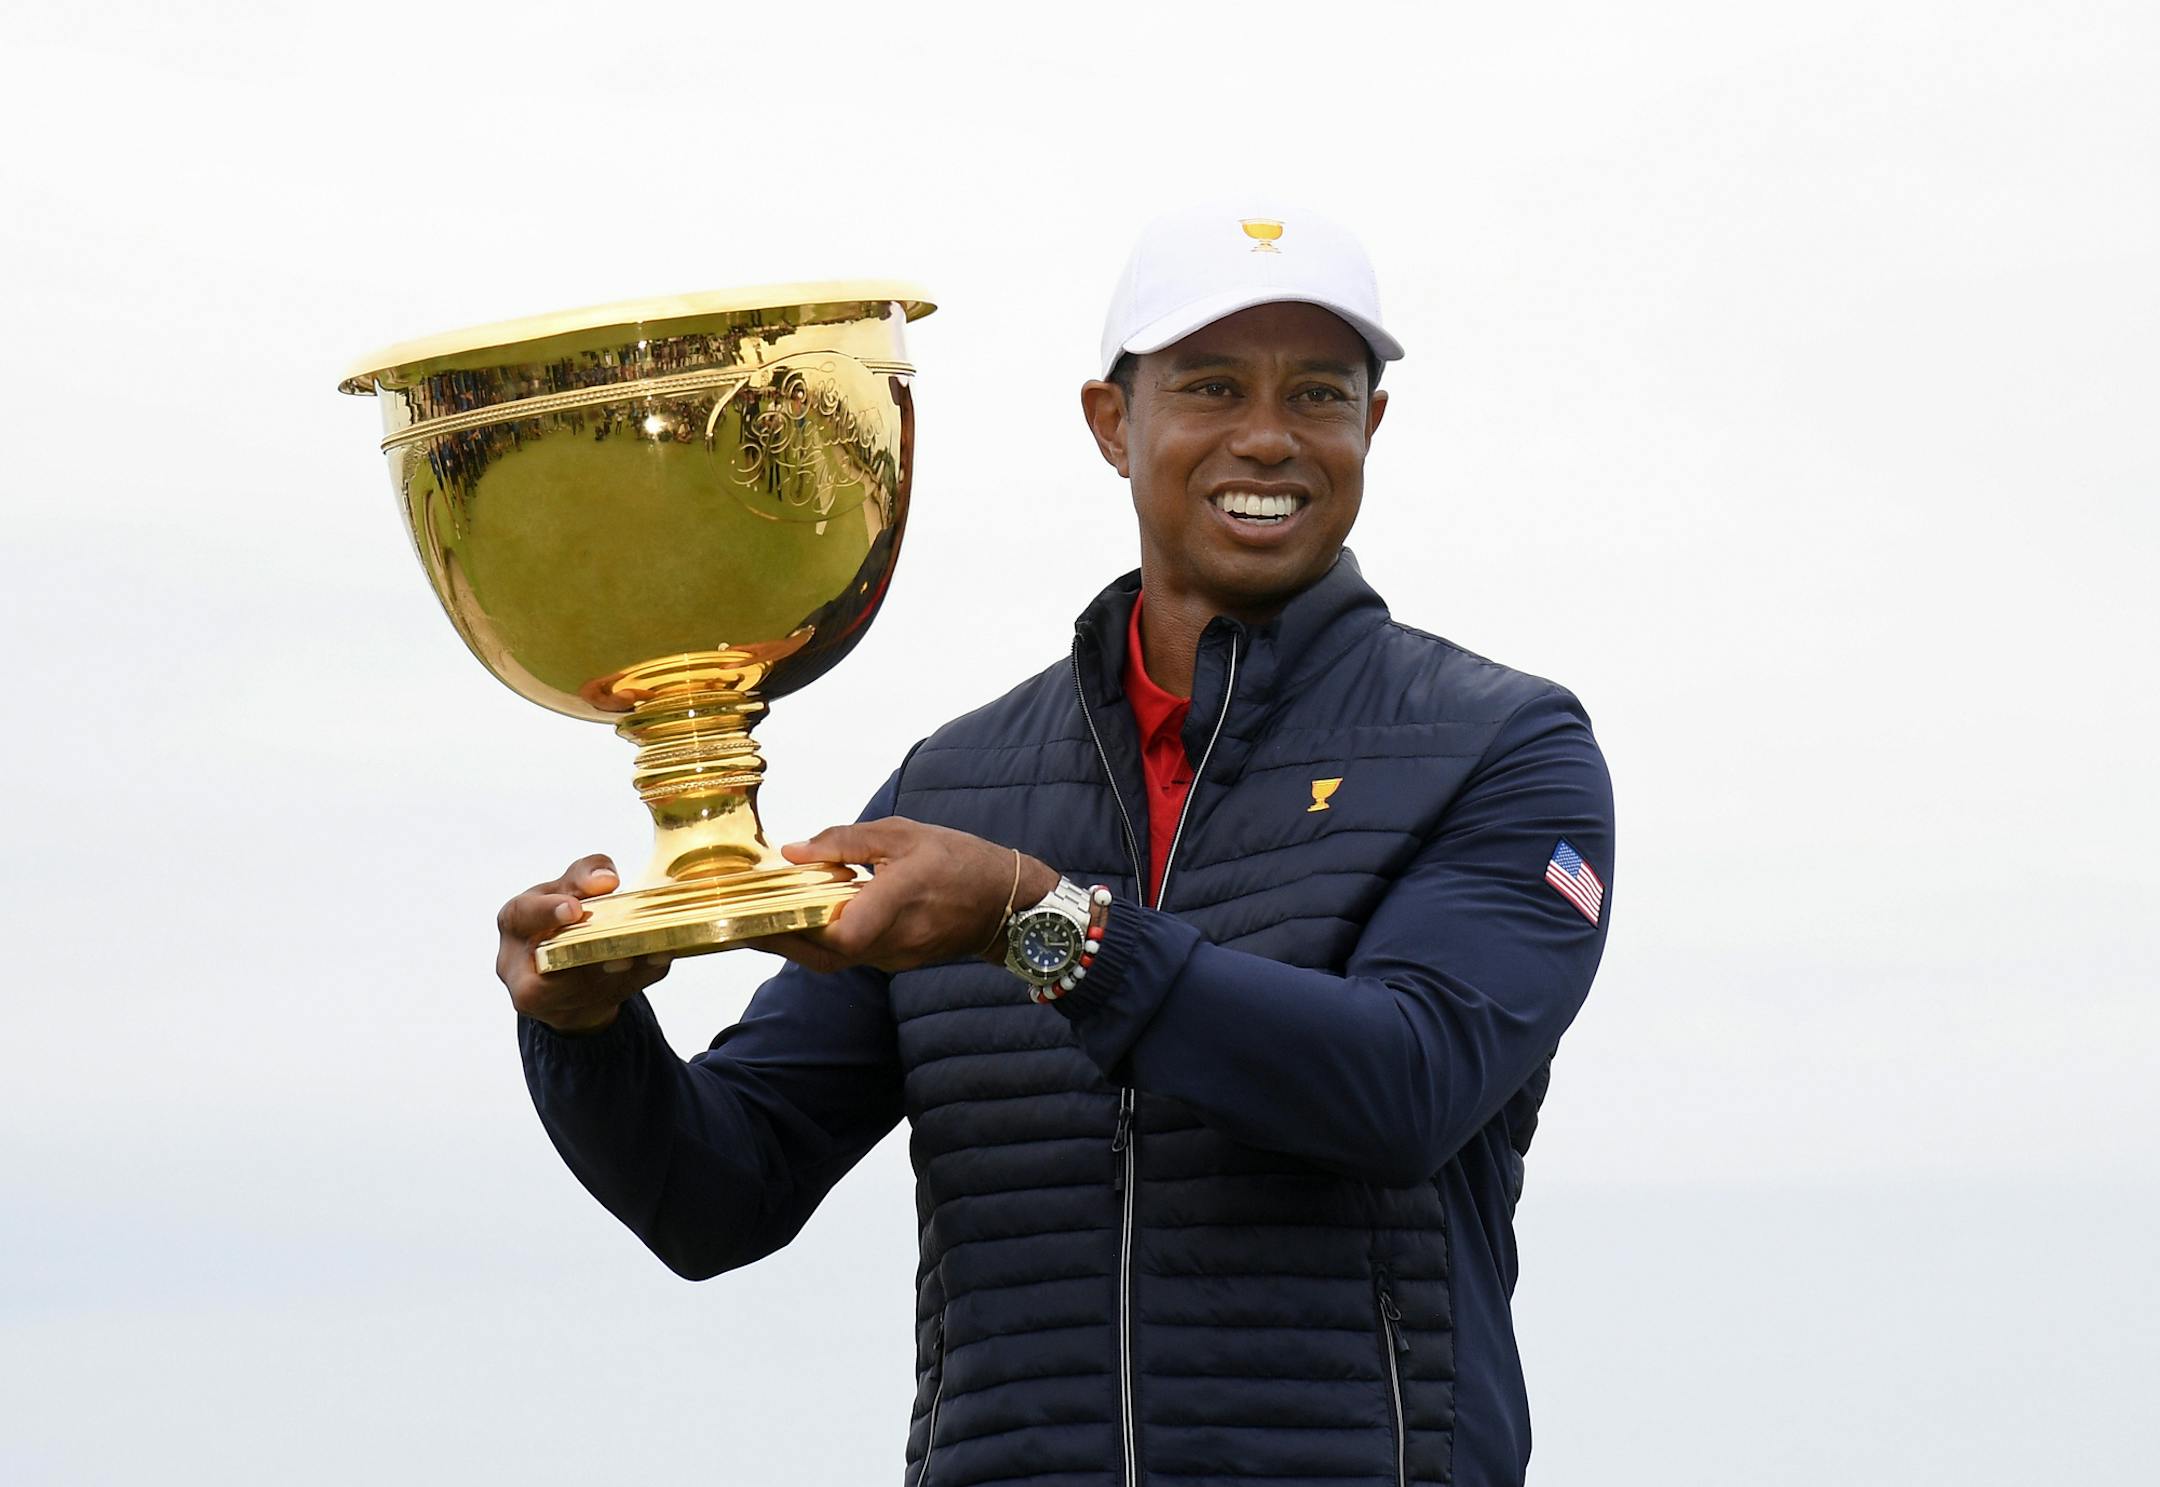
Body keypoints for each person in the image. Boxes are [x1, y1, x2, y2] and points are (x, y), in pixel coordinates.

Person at [499, 207, 1616, 1487]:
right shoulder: (961, 784)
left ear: (1370, 427)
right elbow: (722, 1193)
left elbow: (1406, 1084)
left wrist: (1043, 926)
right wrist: (584, 1033)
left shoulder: (1503, 746)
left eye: (1319, 392)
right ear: (1111, 423)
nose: (1268, 435)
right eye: (1209, 386)